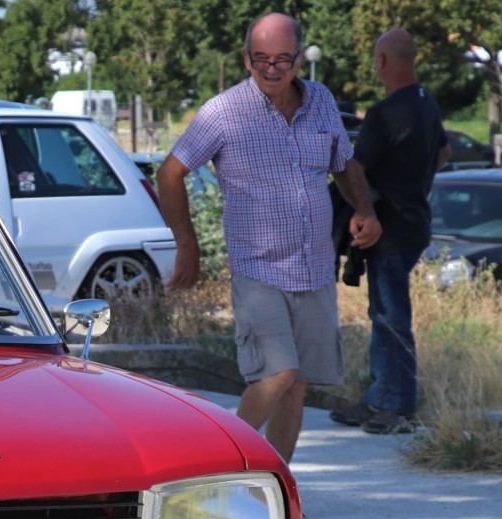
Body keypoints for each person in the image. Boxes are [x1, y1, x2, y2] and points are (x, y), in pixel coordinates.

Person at [157, 12, 381, 463]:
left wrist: (364, 209)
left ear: (300, 58)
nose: (272, 69)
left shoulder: (320, 101)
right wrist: (188, 245)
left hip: (315, 266)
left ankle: (276, 490)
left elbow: (343, 162)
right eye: (261, 59)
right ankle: (212, 469)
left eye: (283, 59)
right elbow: (170, 172)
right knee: (278, 373)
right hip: (258, 268)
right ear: (245, 59)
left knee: (296, 386)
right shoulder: (223, 112)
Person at [330, 28, 449, 435]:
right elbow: (444, 152)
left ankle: (397, 406)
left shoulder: (385, 112)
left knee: (391, 316)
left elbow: (355, 167)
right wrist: (414, 185)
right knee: (383, 312)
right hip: (416, 223)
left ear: (382, 61)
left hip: (389, 230)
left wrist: (365, 211)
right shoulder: (426, 102)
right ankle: (379, 396)